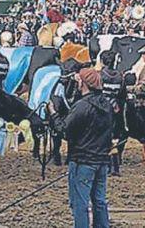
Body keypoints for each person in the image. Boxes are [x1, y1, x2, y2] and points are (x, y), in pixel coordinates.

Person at [48, 67, 112, 228]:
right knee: (99, 201)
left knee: (80, 204)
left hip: (82, 160)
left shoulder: (82, 106)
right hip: (102, 159)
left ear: (83, 83)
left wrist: (53, 113)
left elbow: (64, 130)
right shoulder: (107, 104)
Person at [99, 50, 126, 176]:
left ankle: (105, 165)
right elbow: (122, 95)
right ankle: (115, 166)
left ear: (102, 61)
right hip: (115, 110)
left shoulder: (100, 75)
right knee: (114, 139)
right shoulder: (120, 76)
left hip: (101, 110)